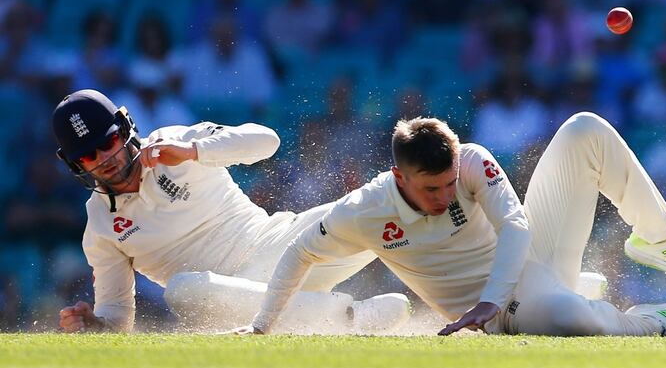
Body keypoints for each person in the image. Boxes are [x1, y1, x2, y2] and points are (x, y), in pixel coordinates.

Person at [237, 112, 666, 337]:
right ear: (398, 177)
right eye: (432, 190)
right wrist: (262, 326)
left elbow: (516, 224)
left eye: (450, 183)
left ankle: (656, 235)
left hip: (525, 270)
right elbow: (300, 252)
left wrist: (488, 296)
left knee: (584, 129)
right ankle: (652, 322)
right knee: (572, 319)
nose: (446, 196)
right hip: (507, 309)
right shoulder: (363, 211)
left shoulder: (469, 161)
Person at [51, 89, 410, 334]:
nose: (104, 160)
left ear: (126, 129)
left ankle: (463, 290)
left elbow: (267, 142)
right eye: (87, 155)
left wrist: (193, 150)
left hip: (279, 244)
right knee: (182, 290)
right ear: (75, 165)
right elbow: (116, 315)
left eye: (107, 143)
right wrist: (97, 326)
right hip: (225, 297)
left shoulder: (174, 141)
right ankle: (350, 319)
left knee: (382, 201)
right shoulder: (100, 226)